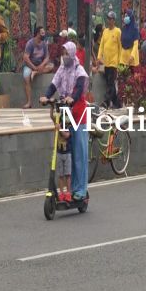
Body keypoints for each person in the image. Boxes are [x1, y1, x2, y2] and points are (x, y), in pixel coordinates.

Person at [41, 42, 89, 201]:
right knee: (66, 151)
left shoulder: (79, 70)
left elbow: (79, 88)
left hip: (78, 114)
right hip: (65, 113)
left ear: (72, 53)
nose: (64, 56)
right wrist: (46, 96)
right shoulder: (61, 69)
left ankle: (80, 189)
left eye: (66, 53)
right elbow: (54, 84)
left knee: (79, 153)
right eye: (63, 53)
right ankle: (67, 189)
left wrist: (71, 98)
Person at [22, 26, 55, 109]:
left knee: (51, 66)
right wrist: (33, 67)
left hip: (40, 66)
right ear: (37, 34)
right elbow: (26, 57)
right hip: (29, 66)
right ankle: (29, 102)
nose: (44, 35)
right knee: (26, 77)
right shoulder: (30, 43)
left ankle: (35, 73)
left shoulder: (44, 43)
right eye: (42, 33)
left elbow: (47, 57)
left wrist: (41, 65)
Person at [96, 11, 122, 109]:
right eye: (108, 18)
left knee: (111, 82)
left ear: (114, 20)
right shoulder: (105, 32)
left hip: (114, 63)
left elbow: (120, 47)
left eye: (111, 19)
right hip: (106, 62)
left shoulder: (118, 31)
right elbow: (102, 46)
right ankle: (117, 103)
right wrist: (99, 58)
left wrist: (120, 62)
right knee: (109, 83)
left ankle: (106, 102)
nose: (109, 20)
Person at [52, 104, 73, 201]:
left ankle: (68, 193)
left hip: (67, 153)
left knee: (68, 174)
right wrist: (51, 106)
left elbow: (67, 136)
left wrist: (59, 128)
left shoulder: (68, 124)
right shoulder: (58, 121)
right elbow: (51, 116)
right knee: (60, 175)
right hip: (59, 153)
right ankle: (61, 193)